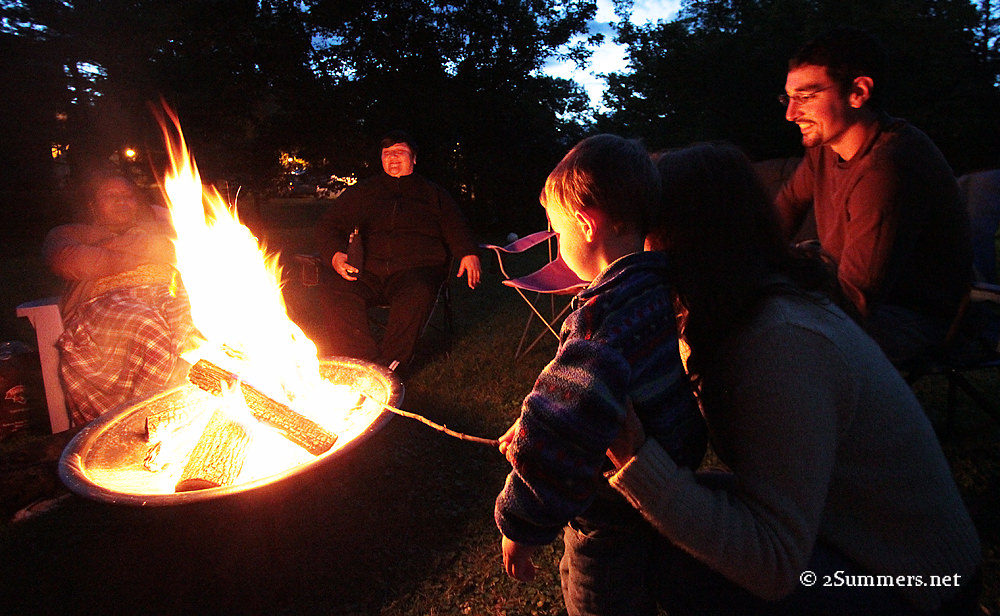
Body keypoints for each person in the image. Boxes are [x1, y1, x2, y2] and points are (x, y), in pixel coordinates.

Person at [606, 142, 981, 615]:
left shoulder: (779, 342)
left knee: (672, 561)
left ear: (679, 236)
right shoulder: (739, 311)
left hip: (916, 585)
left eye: (643, 229)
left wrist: (637, 462)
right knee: (652, 522)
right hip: (844, 537)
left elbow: (775, 564)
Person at [494, 134, 706, 615]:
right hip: (663, 479)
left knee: (597, 599)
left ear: (586, 224)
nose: (557, 244)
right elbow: (583, 398)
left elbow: (564, 429)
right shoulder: (658, 288)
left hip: (606, 510)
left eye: (556, 231)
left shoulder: (599, 321)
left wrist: (519, 526)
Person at [774, 27, 972, 367]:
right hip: (854, 301)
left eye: (806, 97)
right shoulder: (825, 149)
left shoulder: (889, 166)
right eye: (788, 98)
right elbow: (783, 212)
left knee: (775, 334)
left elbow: (855, 302)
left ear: (858, 92)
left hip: (912, 319)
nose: (791, 114)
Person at [313, 131, 481, 370]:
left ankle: (391, 367)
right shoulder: (364, 192)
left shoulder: (433, 194)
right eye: (387, 154)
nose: (393, 158)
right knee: (335, 288)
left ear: (414, 158)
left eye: (400, 152)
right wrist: (335, 255)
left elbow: (456, 224)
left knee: (418, 292)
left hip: (414, 270)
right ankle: (364, 364)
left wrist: (467, 252)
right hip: (367, 270)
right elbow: (328, 225)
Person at [43, 170, 195, 426]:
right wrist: (140, 251)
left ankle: (193, 415)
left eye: (129, 196)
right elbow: (71, 260)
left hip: (166, 293)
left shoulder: (156, 229)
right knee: (146, 325)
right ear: (92, 204)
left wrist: (118, 245)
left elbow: (187, 242)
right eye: (111, 195)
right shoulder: (71, 232)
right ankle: (144, 425)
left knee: (197, 332)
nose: (122, 201)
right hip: (106, 301)